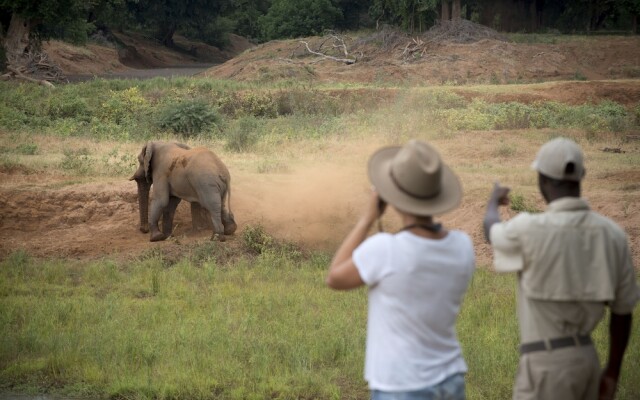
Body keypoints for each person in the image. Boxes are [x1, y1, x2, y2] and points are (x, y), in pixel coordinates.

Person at [483, 137, 639, 400]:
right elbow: (623, 312)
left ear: (542, 180)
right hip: (587, 361)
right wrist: (612, 370)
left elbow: (491, 231)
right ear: (582, 176)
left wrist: (492, 202)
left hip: (544, 364)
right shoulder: (613, 235)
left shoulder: (529, 229)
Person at [326, 139, 475, 400]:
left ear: (390, 196)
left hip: (400, 385)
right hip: (451, 379)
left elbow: (335, 277)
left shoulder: (385, 250)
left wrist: (367, 218)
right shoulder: (463, 246)